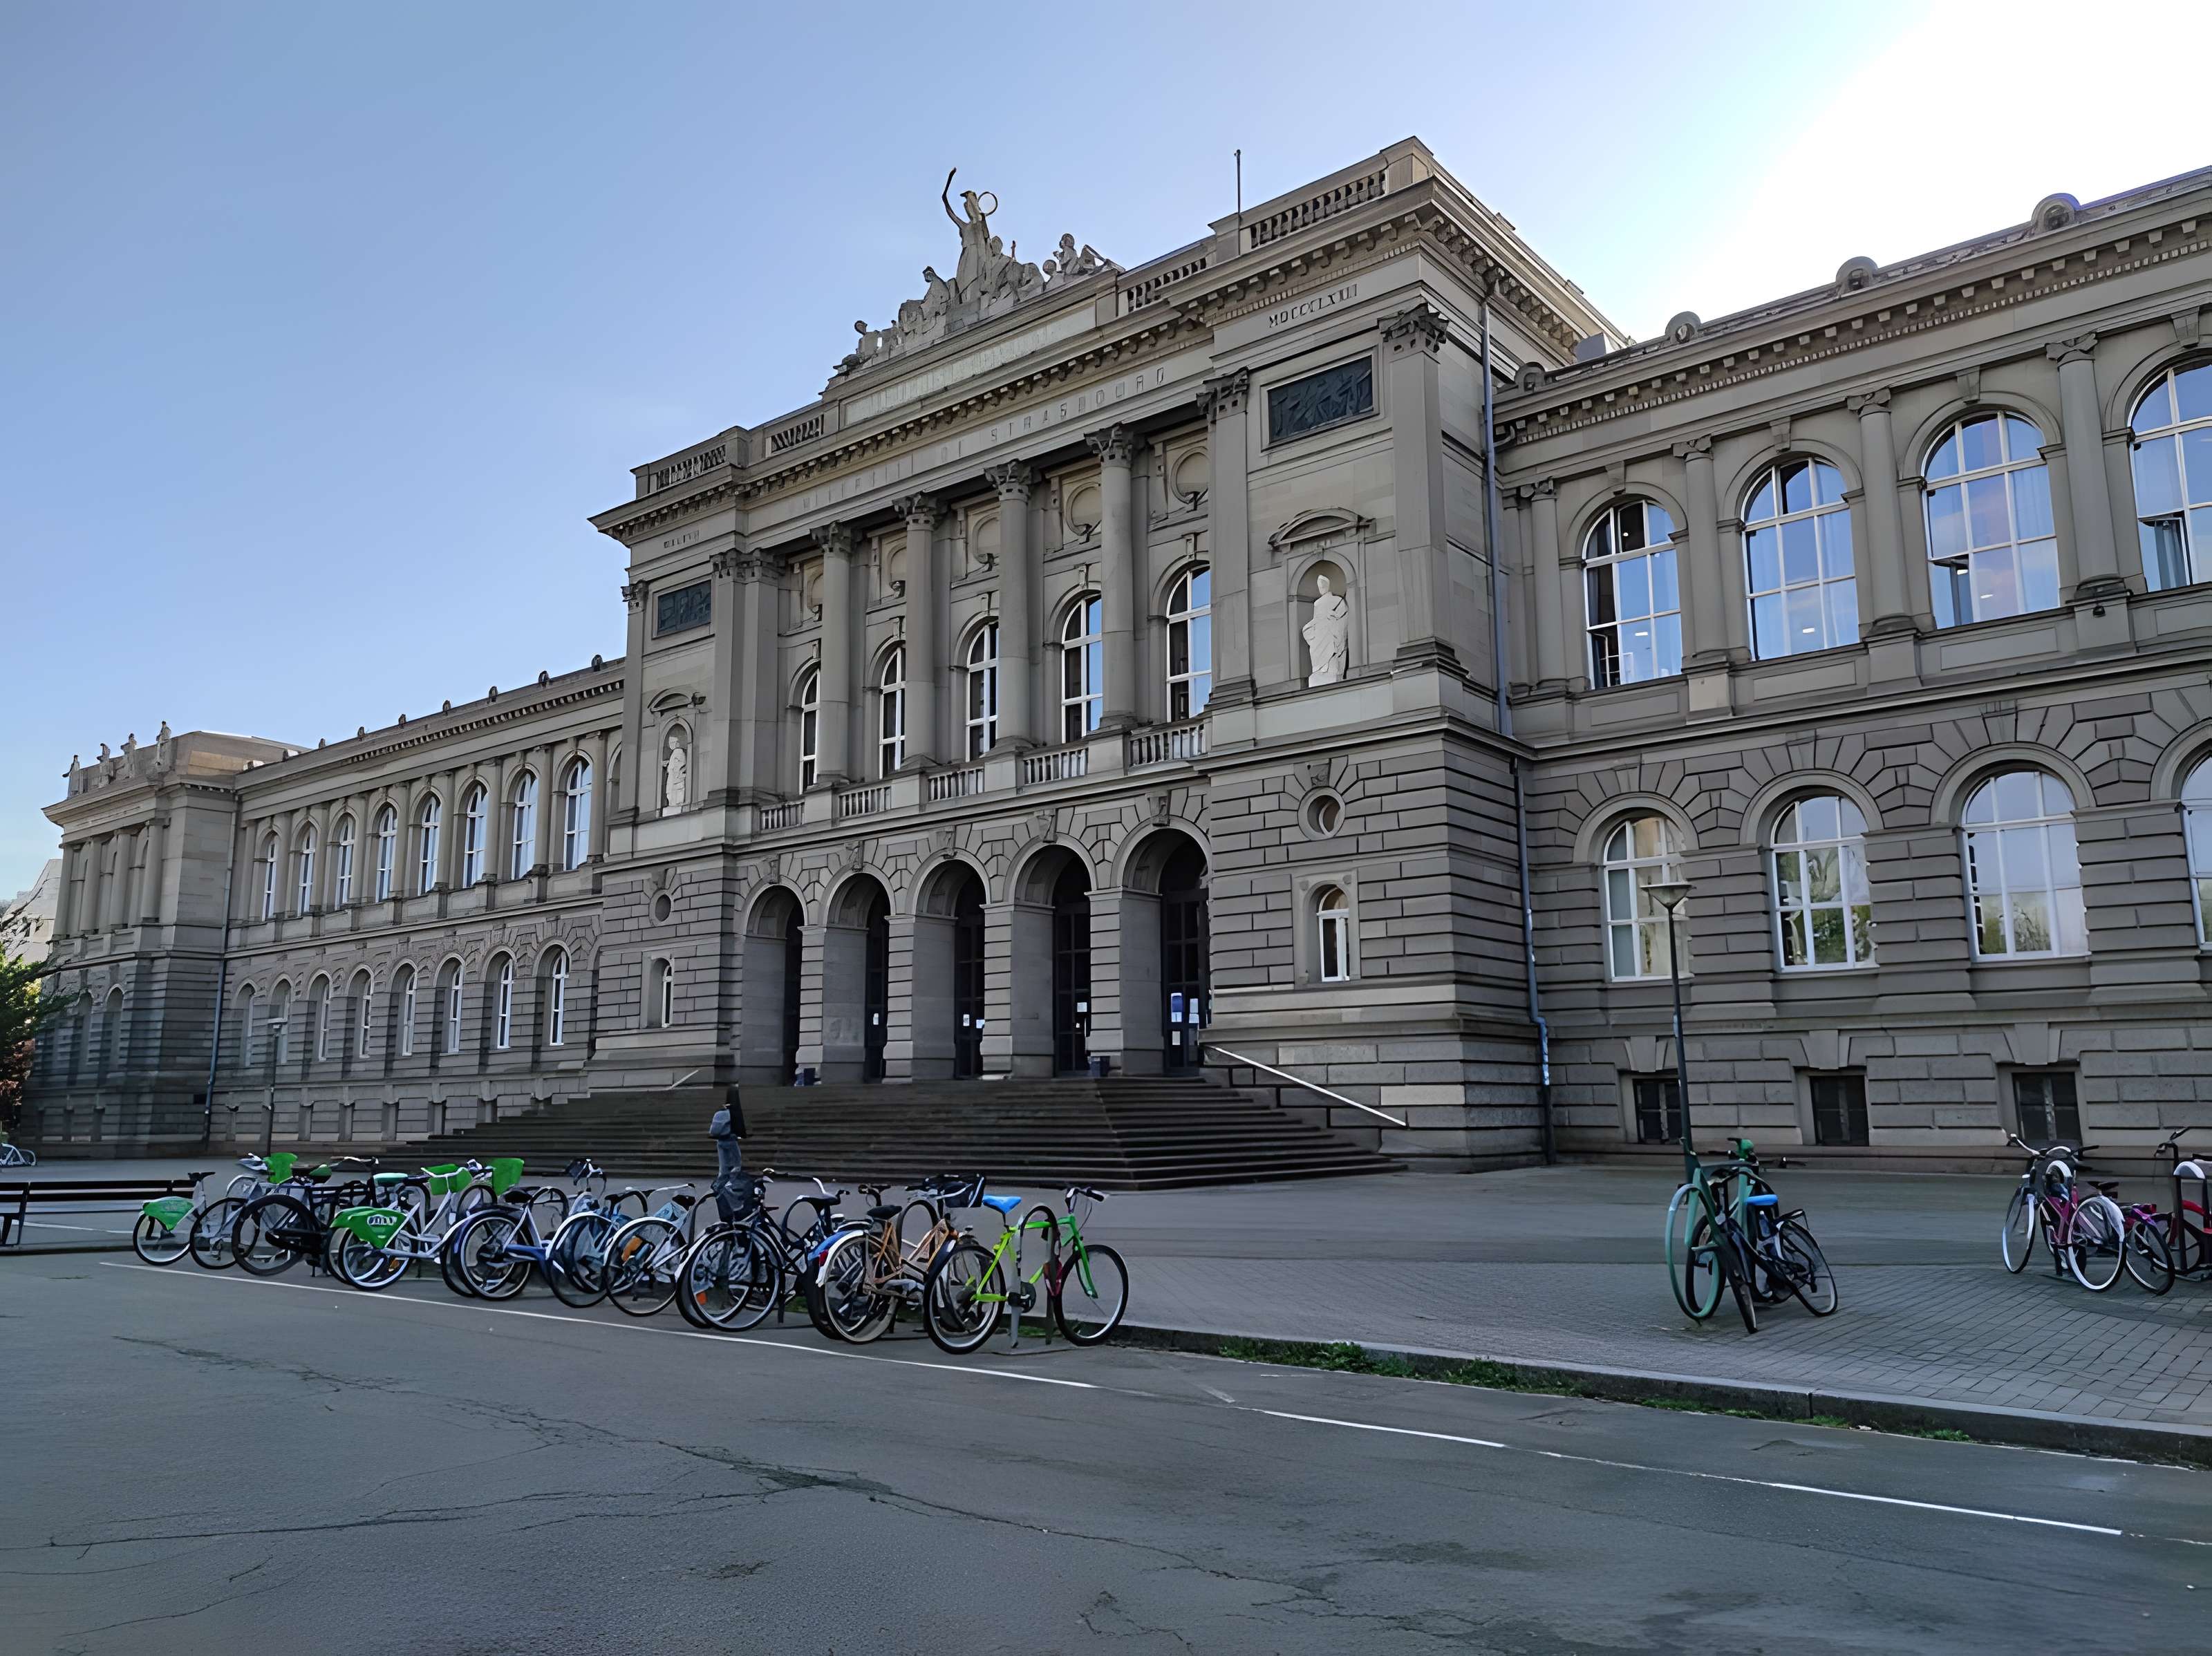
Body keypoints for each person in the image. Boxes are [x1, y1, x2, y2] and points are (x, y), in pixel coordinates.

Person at [709, 1085, 751, 1223]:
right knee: (736, 1167)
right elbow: (739, 1126)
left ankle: (721, 1191)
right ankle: (734, 1204)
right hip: (731, 1140)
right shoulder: (733, 1112)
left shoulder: (721, 1112)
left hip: (720, 1140)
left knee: (723, 1169)